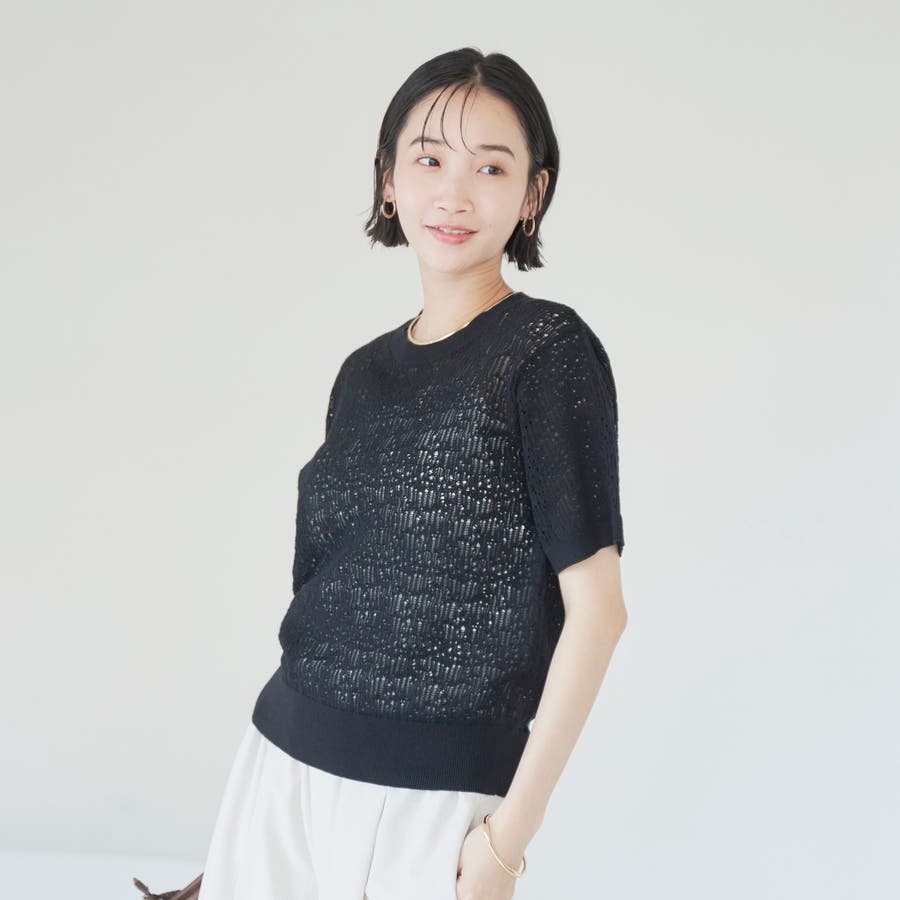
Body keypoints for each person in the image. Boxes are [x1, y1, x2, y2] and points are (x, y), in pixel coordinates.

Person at [197, 46, 628, 900]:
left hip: (430, 805)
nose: (454, 194)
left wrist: (506, 843)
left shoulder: (545, 353)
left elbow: (599, 611)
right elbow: (327, 589)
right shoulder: (362, 374)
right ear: (388, 179)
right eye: (429, 160)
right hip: (280, 768)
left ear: (533, 193)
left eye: (491, 167)